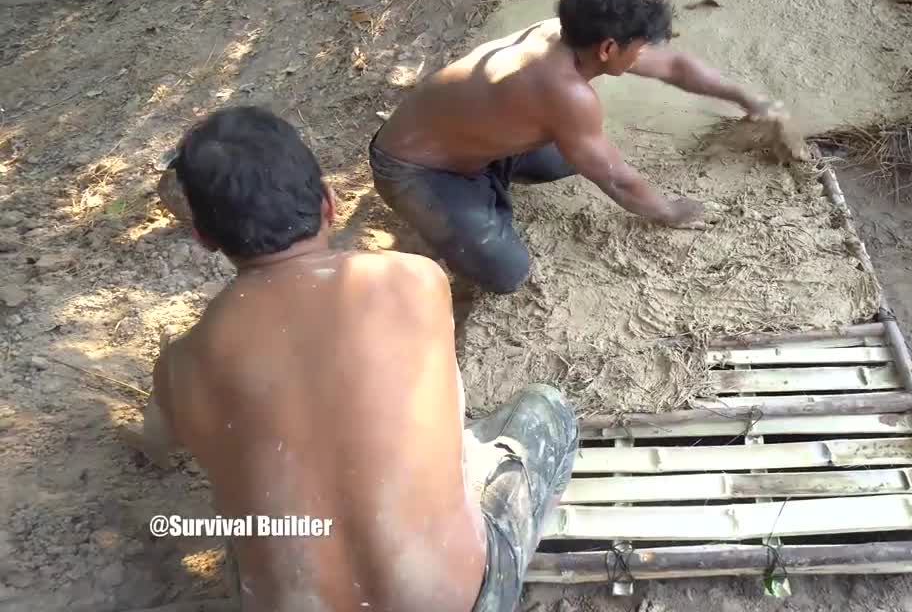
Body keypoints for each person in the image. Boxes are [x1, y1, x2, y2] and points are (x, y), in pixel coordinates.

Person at [121, 105, 579, 612]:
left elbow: (157, 443)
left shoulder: (183, 365)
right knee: (547, 408)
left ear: (204, 237)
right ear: (328, 203)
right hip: (460, 599)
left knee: (250, 521)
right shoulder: (413, 280)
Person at [369, 0, 787, 295]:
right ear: (609, 48)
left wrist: (745, 97)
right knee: (507, 273)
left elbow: (674, 65)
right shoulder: (567, 94)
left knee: (564, 158)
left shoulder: (570, 34)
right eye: (642, 45)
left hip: (469, 138)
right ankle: (448, 219)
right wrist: (672, 211)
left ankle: (484, 180)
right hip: (414, 167)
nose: (649, 53)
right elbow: (618, 181)